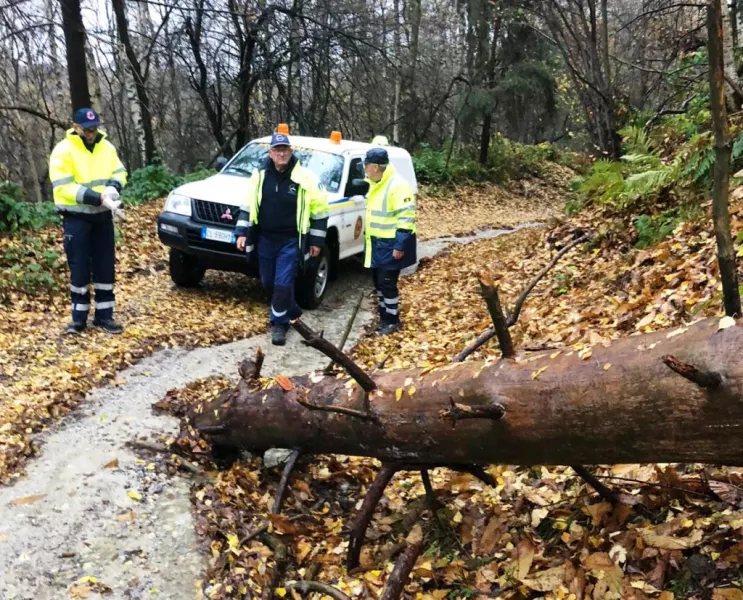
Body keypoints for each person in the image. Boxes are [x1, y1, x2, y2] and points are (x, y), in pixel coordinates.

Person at [234, 131, 329, 346]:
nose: (281, 153)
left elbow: (320, 211)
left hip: (290, 241)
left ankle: (279, 324)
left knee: (282, 282)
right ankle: (292, 308)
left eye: (285, 149)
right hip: (265, 239)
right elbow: (248, 205)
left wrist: (316, 242)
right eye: (277, 149)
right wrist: (241, 233)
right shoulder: (259, 176)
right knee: (268, 281)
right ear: (270, 153)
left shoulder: (305, 178)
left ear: (290, 151)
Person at [49, 107, 128, 335]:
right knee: (80, 268)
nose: (92, 132)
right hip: (77, 218)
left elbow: (119, 171)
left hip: (102, 217)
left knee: (105, 267)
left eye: (95, 128)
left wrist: (113, 189)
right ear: (76, 128)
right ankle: (78, 319)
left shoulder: (107, 147)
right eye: (88, 129)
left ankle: (104, 316)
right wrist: (98, 197)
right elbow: (64, 187)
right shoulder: (63, 151)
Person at [363, 147, 416, 335]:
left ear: (376, 167)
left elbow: (406, 217)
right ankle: (384, 316)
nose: (364, 169)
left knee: (387, 283)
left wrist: (400, 244)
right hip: (376, 243)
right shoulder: (375, 182)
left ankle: (392, 320)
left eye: (366, 165)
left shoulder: (397, 185)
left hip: (391, 244)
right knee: (378, 283)